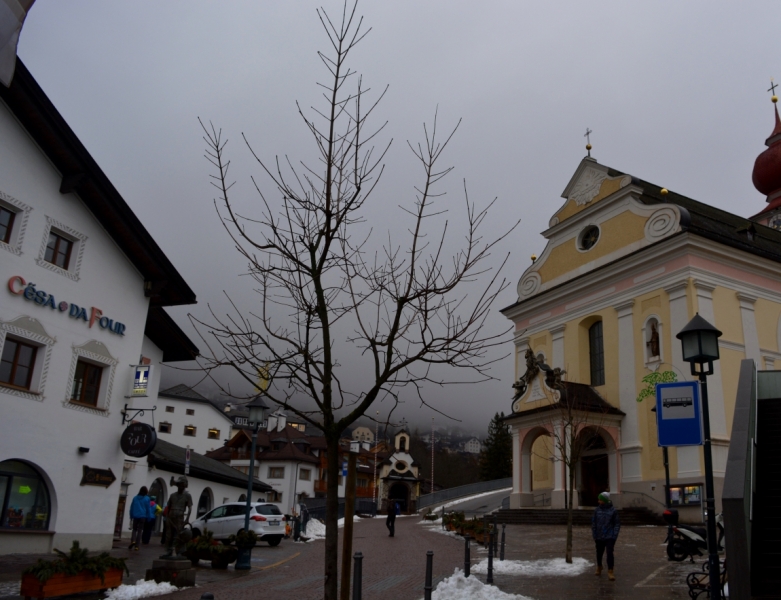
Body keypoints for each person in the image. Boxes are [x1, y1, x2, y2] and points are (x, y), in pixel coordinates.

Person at [160, 476, 192, 559]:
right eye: (179, 485)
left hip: (179, 517)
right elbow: (168, 507)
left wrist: (187, 519)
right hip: (171, 517)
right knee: (169, 535)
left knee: (178, 535)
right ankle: (168, 551)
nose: (181, 487)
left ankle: (179, 552)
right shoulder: (172, 495)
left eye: (182, 485)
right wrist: (167, 517)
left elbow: (189, 508)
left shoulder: (187, 496)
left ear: (185, 486)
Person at [591, 491, 621, 581]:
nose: (598, 501)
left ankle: (610, 570)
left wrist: (614, 535)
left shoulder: (613, 511)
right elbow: (594, 522)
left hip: (610, 536)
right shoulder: (597, 510)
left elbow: (617, 523)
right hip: (599, 535)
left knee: (609, 553)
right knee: (599, 552)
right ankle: (599, 566)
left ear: (604, 500)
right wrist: (594, 534)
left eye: (600, 499)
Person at [128, 486, 154, 551]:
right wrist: (149, 517)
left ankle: (133, 540)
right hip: (143, 516)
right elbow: (148, 508)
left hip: (135, 516)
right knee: (140, 531)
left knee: (134, 529)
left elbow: (131, 507)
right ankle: (137, 546)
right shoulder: (147, 498)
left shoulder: (135, 498)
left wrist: (131, 515)